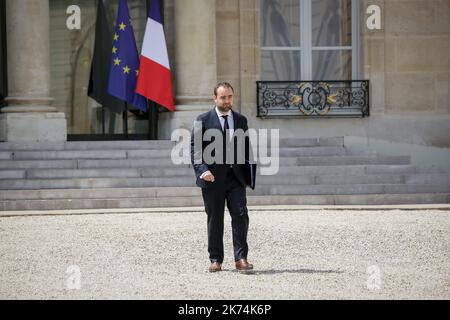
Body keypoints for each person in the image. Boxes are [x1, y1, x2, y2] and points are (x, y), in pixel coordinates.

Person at [190, 82, 254, 272]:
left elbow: (245, 147)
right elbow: (195, 149)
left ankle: (241, 258)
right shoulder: (202, 120)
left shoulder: (241, 120)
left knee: (241, 215)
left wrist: (248, 173)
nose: (227, 101)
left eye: (230, 97)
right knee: (215, 218)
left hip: (235, 178)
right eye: (223, 97)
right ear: (215, 98)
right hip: (212, 178)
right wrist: (203, 170)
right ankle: (216, 259)